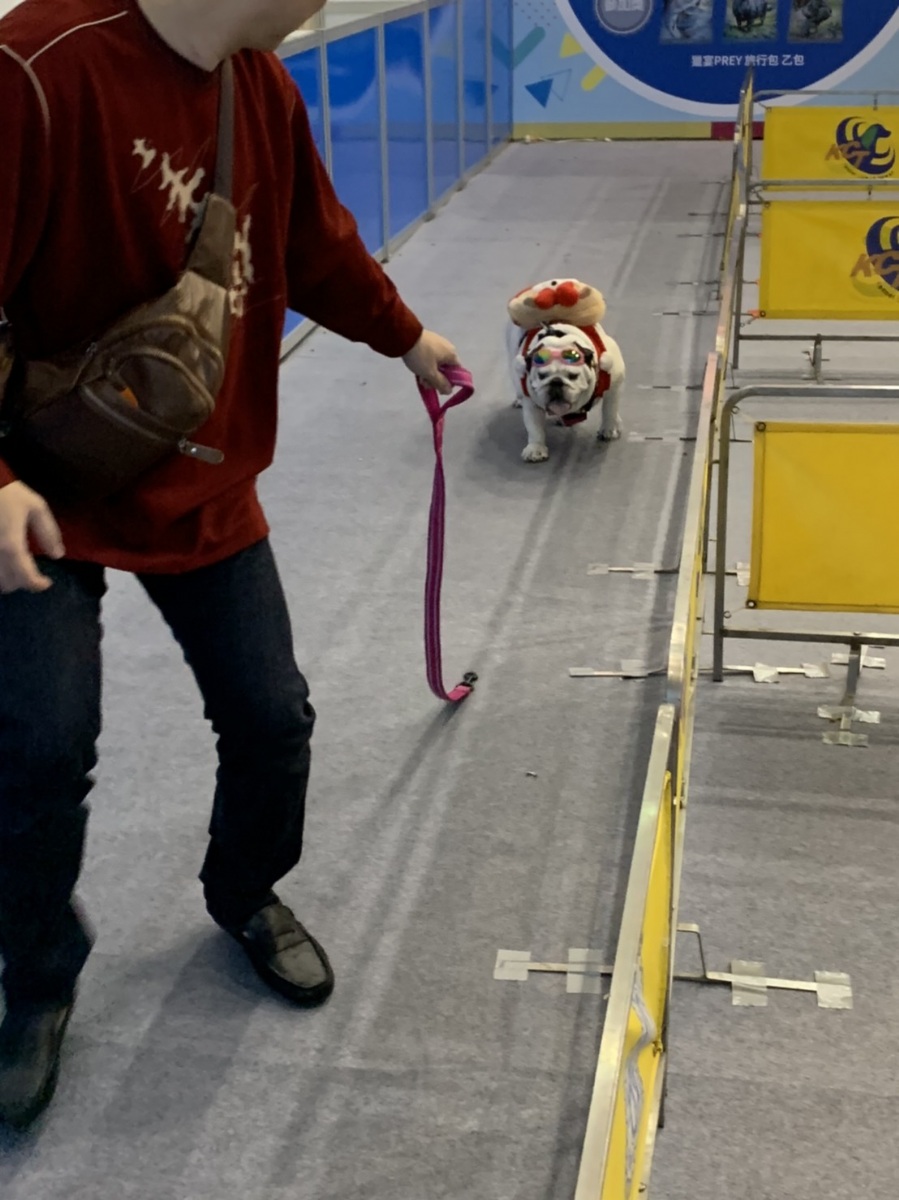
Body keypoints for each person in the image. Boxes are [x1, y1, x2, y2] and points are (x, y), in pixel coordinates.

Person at [0, 0, 460, 1130]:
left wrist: (403, 335)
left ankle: (245, 889)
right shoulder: (35, 68)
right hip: (37, 489)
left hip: (201, 474)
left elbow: (313, 243)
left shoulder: (260, 81)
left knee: (270, 717)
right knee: (38, 751)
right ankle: (38, 975)